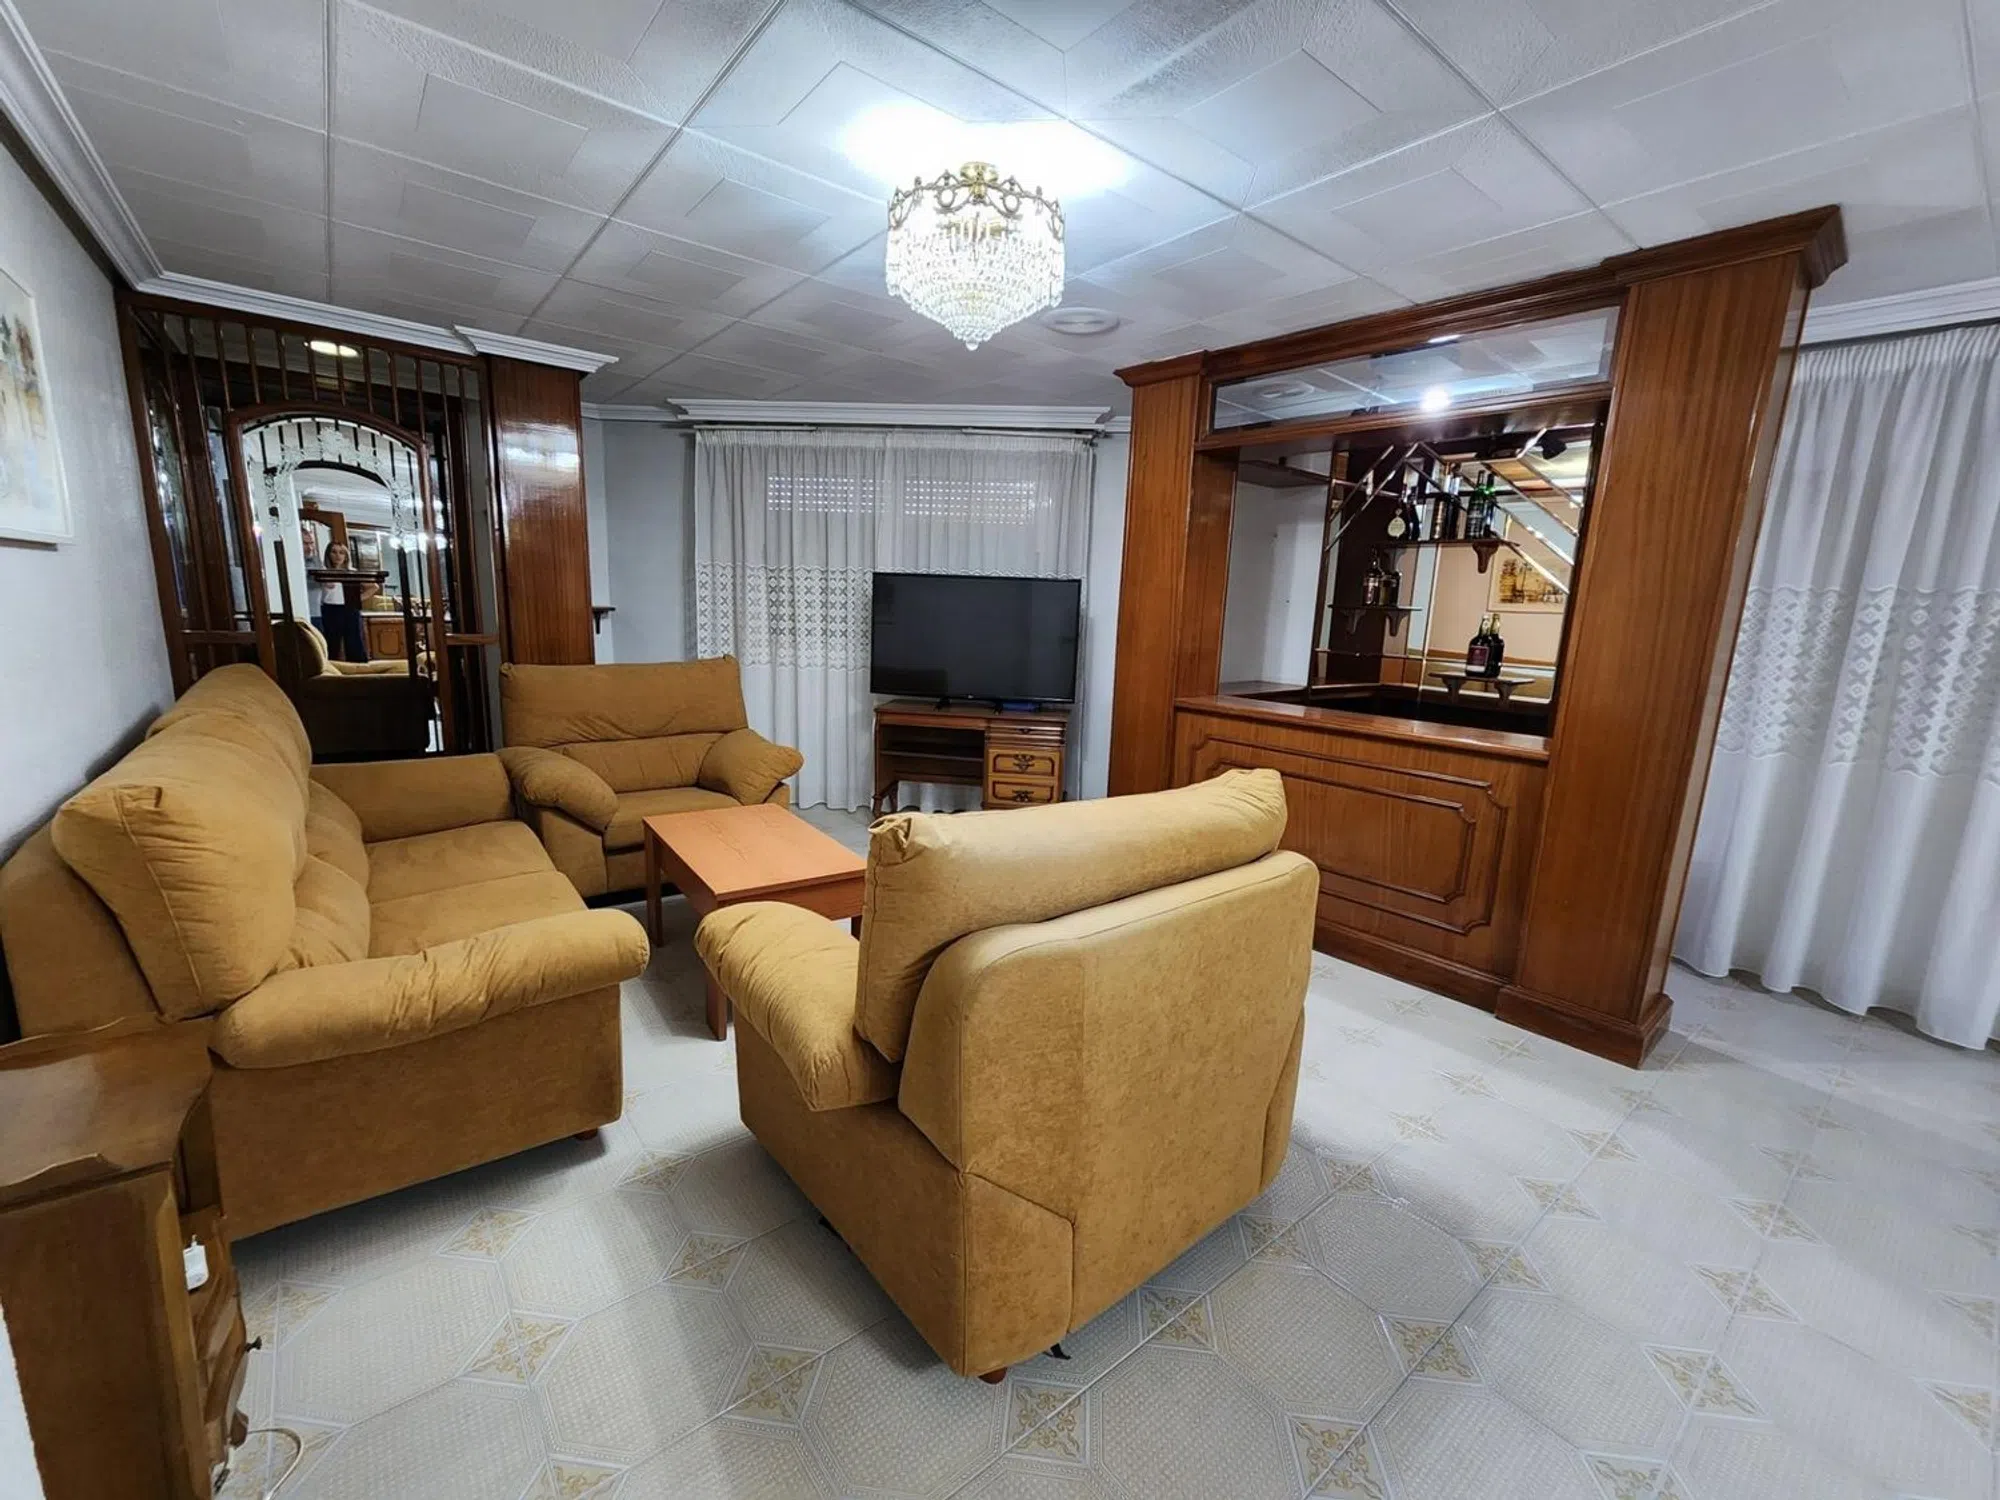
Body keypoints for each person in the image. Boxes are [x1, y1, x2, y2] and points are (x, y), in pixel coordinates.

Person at [317, 540, 369, 663]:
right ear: (328, 554)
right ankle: (331, 667)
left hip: (350, 608)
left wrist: (357, 599)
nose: (338, 556)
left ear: (346, 556)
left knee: (354, 641)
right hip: (330, 609)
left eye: (341, 553)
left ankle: (359, 667)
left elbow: (373, 587)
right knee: (331, 641)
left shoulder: (352, 572)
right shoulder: (323, 571)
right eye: (334, 552)